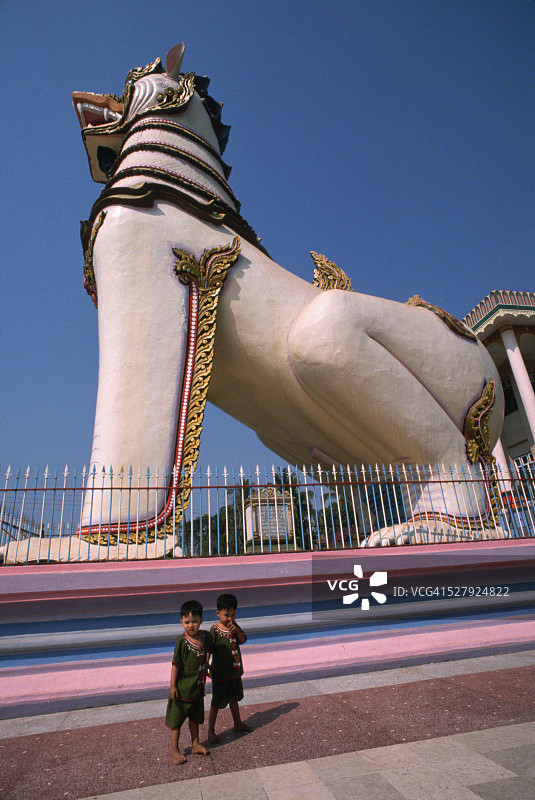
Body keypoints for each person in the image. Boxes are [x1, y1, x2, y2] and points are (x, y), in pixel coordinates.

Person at [166, 599, 213, 764]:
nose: (190, 625)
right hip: (182, 691)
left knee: (195, 719)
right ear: (181, 622)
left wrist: (207, 664)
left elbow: (208, 649)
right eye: (187, 622)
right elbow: (175, 665)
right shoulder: (182, 642)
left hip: (197, 690)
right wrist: (172, 686)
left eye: (194, 621)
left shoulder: (204, 637)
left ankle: (195, 744)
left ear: (201, 620)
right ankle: (175, 751)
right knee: (176, 722)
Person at [208, 593, 252, 743]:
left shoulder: (235, 626)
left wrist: (236, 630)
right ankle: (211, 731)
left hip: (234, 672)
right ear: (218, 613)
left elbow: (242, 640)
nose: (230, 618)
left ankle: (237, 723)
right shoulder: (214, 630)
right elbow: (208, 649)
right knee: (216, 703)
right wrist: (206, 665)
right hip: (221, 674)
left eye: (233, 615)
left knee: (234, 699)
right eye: (226, 615)